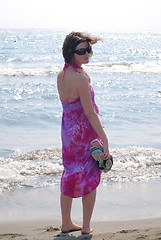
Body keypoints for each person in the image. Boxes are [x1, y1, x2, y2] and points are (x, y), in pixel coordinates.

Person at [57, 32, 111, 234]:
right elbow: (89, 113)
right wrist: (104, 139)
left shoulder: (62, 74)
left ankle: (66, 223)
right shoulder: (80, 77)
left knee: (69, 174)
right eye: (82, 50)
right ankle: (86, 226)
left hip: (68, 133)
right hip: (83, 134)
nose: (88, 53)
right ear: (70, 52)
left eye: (89, 49)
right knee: (89, 176)